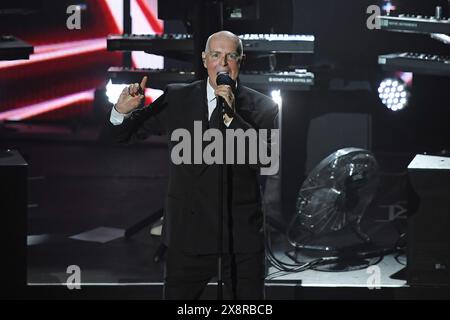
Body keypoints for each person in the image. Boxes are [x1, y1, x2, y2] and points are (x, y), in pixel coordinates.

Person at [100, 31, 279, 299]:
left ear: (241, 60)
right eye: (216, 55)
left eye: (231, 56)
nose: (223, 63)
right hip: (188, 234)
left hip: (239, 237)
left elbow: (266, 159)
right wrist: (121, 112)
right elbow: (121, 137)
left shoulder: (263, 108)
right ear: (205, 59)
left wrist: (232, 119)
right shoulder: (178, 98)